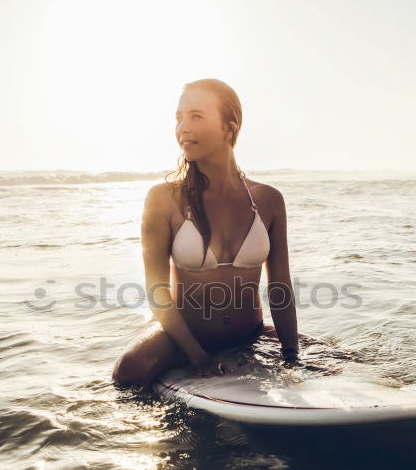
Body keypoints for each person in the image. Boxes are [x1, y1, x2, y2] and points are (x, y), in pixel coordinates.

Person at [111, 78, 299, 386]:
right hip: (186, 338)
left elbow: (280, 287)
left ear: (229, 127)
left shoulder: (268, 200)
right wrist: (197, 357)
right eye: (179, 117)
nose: (183, 127)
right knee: (129, 371)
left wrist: (291, 357)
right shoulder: (164, 199)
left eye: (196, 116)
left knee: (349, 360)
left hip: (249, 335)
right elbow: (156, 292)